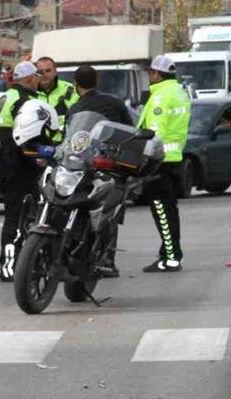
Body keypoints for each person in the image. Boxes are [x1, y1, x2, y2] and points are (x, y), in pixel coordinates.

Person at [68, 65, 133, 277]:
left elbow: (67, 139)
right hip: (110, 166)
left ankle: (76, 255)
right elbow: (130, 131)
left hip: (81, 166)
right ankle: (107, 261)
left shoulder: (74, 108)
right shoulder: (114, 103)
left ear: (76, 85)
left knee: (75, 207)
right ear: (97, 80)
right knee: (110, 214)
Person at [137, 54, 192, 273]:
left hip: (158, 161)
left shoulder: (160, 96)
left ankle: (171, 257)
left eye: (150, 72)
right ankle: (168, 253)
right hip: (174, 157)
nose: (149, 77)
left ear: (157, 74)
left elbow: (155, 133)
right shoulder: (179, 92)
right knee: (169, 209)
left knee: (161, 209)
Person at [0, 60, 43, 281]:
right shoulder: (22, 100)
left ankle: (25, 263)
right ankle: (9, 267)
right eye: (36, 77)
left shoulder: (11, 97)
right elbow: (18, 136)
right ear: (30, 78)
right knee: (17, 218)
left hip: (17, 164)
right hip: (19, 166)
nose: (38, 81)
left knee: (25, 217)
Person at [68, 65, 132, 125]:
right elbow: (130, 129)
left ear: (75, 83)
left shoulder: (75, 109)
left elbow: (68, 134)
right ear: (97, 81)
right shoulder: (115, 102)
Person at [35, 56, 78, 131]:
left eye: (48, 70)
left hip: (63, 140)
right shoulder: (31, 92)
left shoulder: (69, 90)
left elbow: (76, 117)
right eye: (40, 72)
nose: (44, 74)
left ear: (55, 71)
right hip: (37, 140)